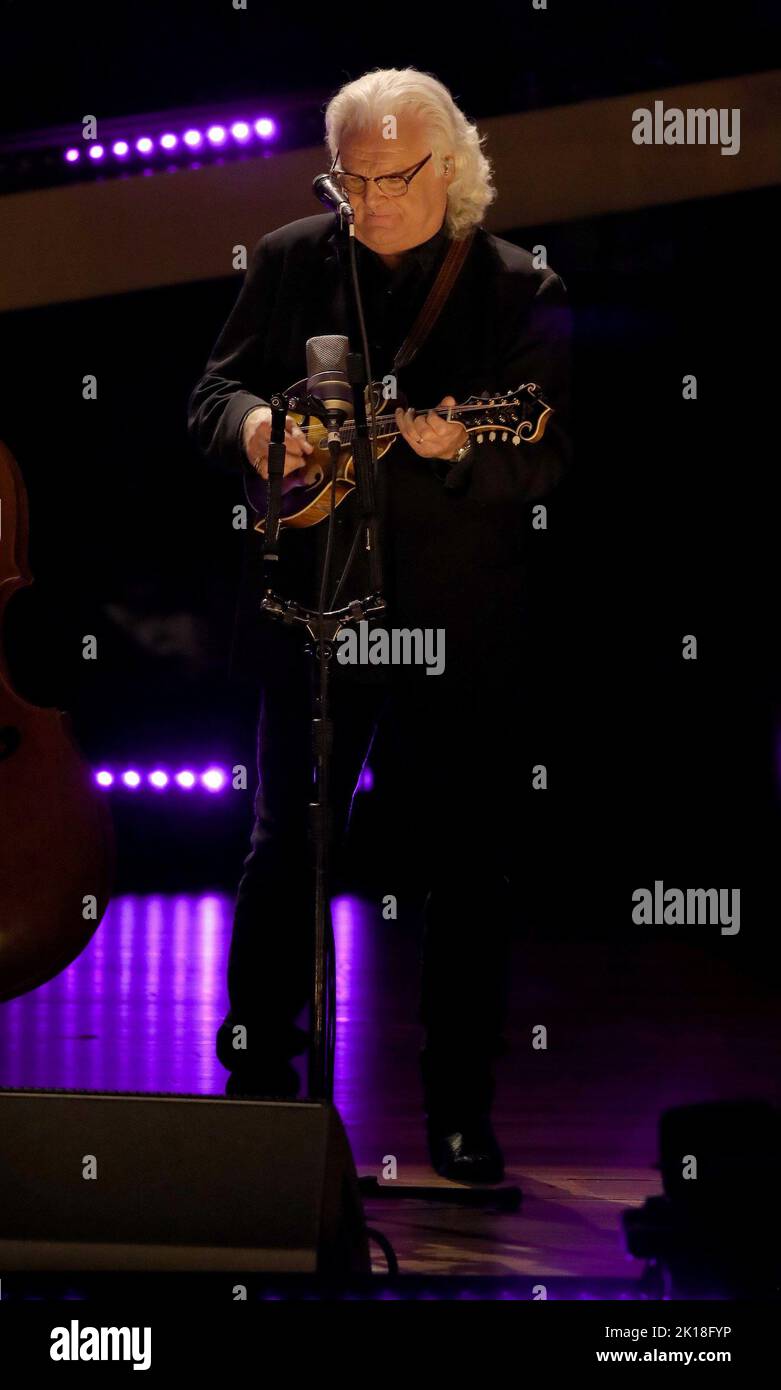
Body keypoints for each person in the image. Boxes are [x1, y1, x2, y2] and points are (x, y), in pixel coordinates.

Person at [188, 67, 572, 1183]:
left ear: (447, 167)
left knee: (465, 867)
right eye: (349, 179)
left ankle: (458, 1110)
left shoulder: (518, 288)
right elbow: (208, 395)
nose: (369, 201)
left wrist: (462, 455)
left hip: (457, 625)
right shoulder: (287, 258)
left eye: (393, 178)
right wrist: (258, 426)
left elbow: (546, 453)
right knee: (284, 852)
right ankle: (259, 1086)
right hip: (308, 610)